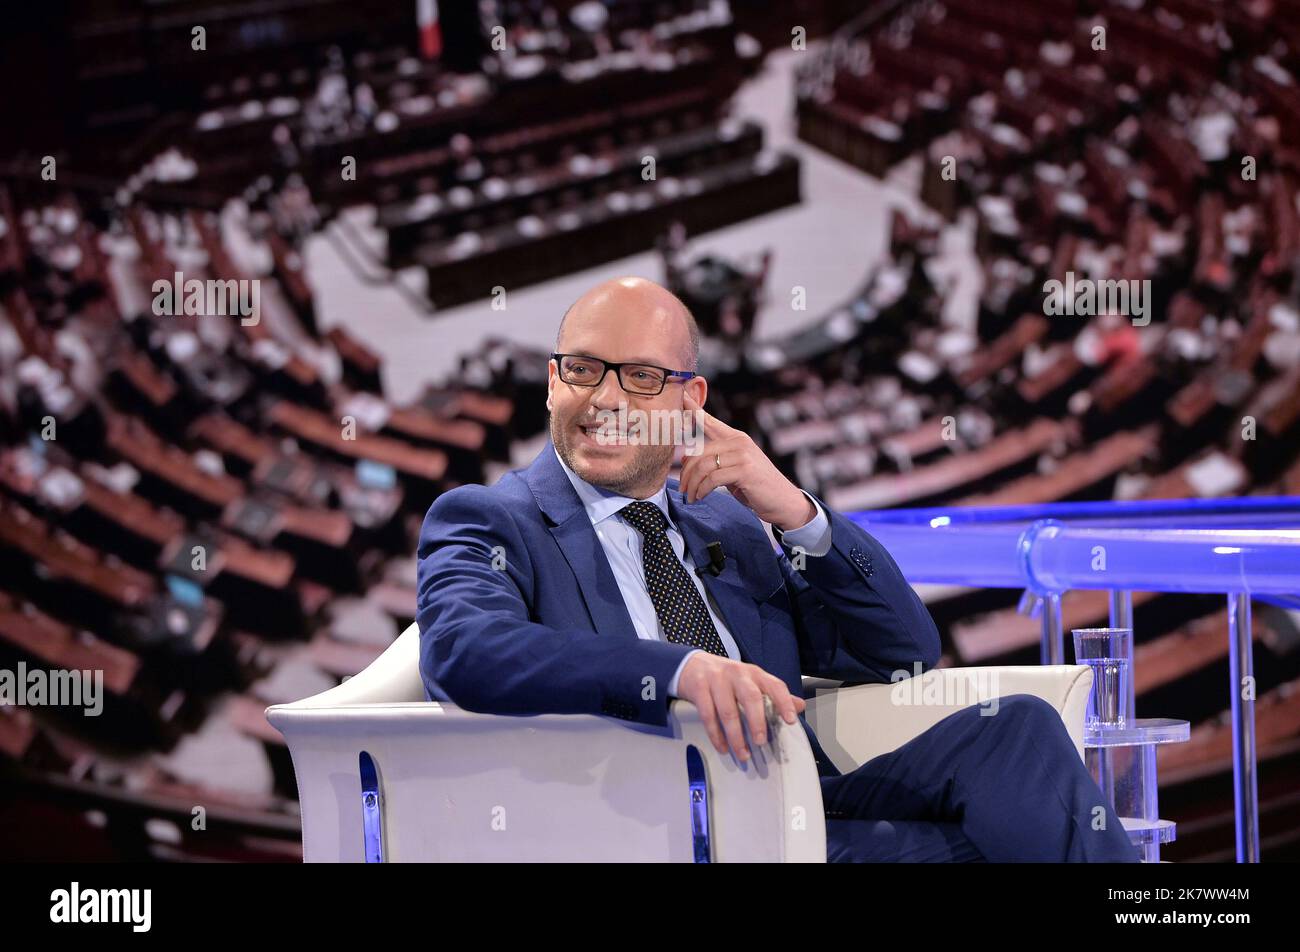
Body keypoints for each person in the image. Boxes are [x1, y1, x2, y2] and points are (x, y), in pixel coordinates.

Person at [416, 275, 1141, 862]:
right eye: (582, 370)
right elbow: (463, 650)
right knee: (996, 847)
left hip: (802, 793)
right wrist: (674, 673)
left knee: (1017, 731)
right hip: (668, 826)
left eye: (639, 377)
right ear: (552, 383)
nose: (604, 398)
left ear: (688, 401)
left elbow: (901, 651)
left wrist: (796, 512)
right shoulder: (489, 515)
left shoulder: (722, 518)